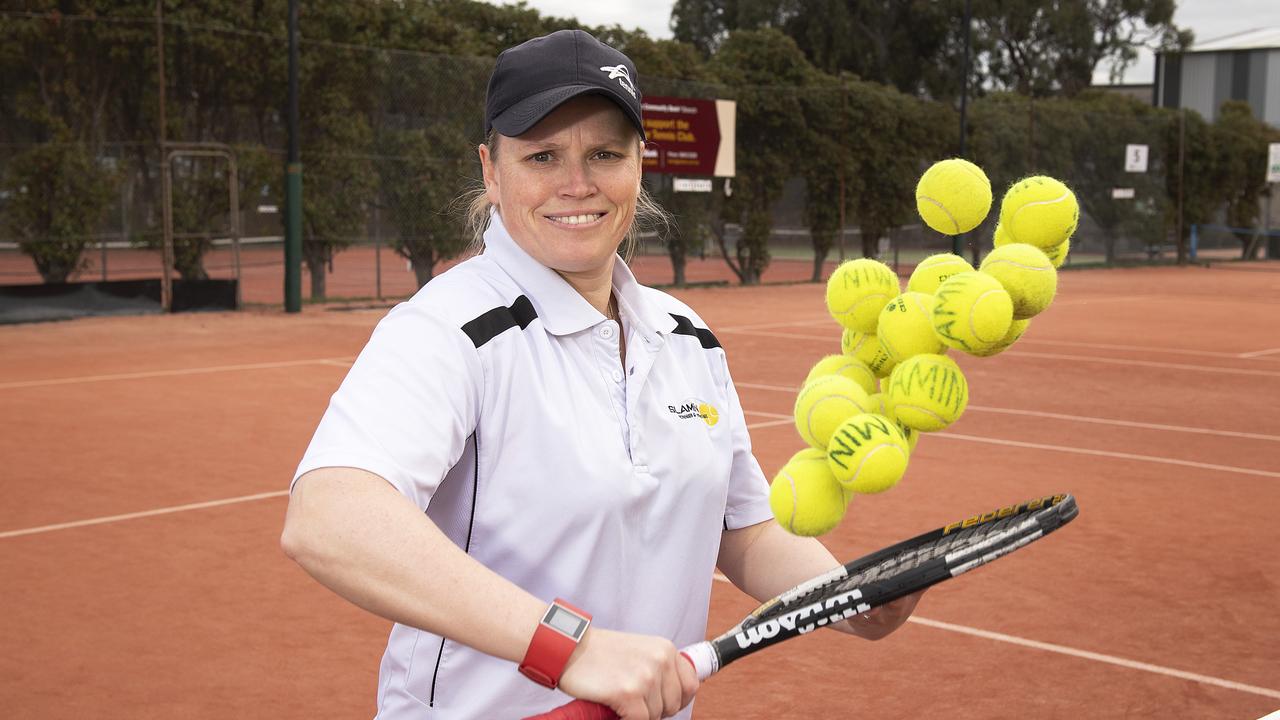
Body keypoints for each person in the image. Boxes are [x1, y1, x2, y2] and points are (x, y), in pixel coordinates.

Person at [280, 29, 921, 720]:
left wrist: (845, 596)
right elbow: (328, 516)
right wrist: (571, 649)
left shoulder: (687, 337)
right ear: (492, 171)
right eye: (542, 155)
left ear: (640, 165)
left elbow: (744, 531)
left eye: (605, 154)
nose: (577, 184)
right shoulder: (449, 329)